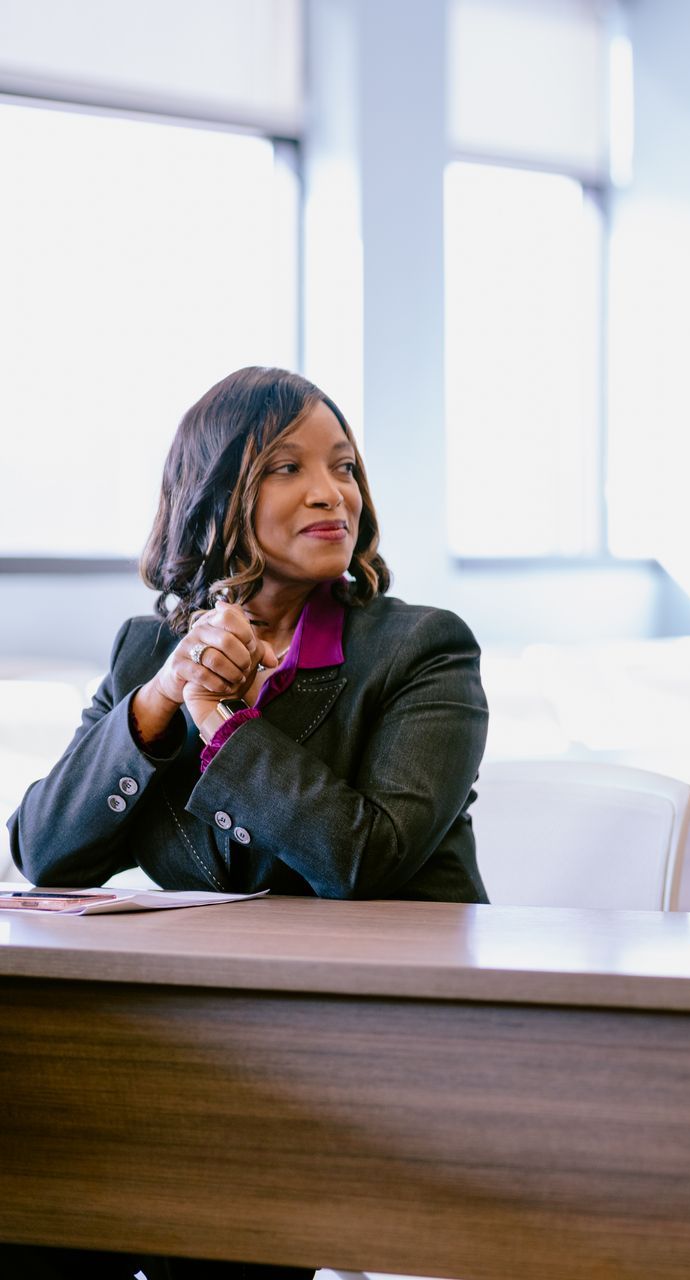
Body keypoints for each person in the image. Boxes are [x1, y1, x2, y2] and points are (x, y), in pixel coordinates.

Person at [5, 367, 490, 1280]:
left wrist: (225, 721)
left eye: (343, 466)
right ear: (216, 496)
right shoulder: (149, 651)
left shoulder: (423, 648)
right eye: (285, 467)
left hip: (380, 1044)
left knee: (208, 1223)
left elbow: (362, 859)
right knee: (40, 1181)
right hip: (213, 1035)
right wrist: (155, 703)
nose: (329, 491)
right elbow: (45, 851)